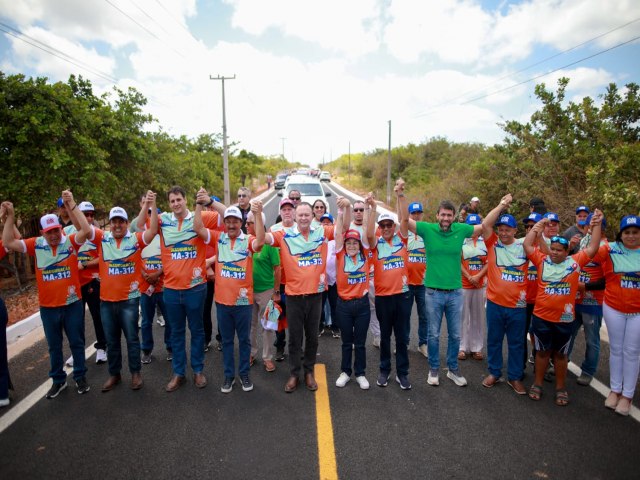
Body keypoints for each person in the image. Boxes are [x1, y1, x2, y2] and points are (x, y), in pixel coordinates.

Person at [408, 194, 510, 387]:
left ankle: (453, 370)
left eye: (449, 215)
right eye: (443, 215)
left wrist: (501, 205)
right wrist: (399, 195)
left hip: (455, 292)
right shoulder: (427, 229)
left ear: (454, 216)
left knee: (455, 335)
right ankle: (434, 370)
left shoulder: (461, 230)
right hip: (433, 292)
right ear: (437, 216)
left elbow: (485, 225)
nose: (446, 218)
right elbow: (404, 221)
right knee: (433, 335)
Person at [3, 191, 93, 398]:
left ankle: (80, 376)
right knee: (54, 347)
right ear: (43, 232)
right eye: (49, 232)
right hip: (48, 307)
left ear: (60, 229)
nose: (53, 236)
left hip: (72, 304)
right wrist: (10, 217)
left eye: (56, 231)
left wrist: (72, 204)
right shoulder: (36, 244)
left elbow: (86, 230)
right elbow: (8, 242)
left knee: (77, 342)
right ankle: (58, 381)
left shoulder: (70, 241)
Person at [523, 211, 603, 407]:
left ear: (567, 252)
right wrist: (538, 226)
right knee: (541, 353)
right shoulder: (541, 261)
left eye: (559, 250)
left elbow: (593, 247)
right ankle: (538, 383)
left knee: (561, 355)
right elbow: (527, 245)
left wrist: (597, 224)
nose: (555, 252)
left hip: (564, 320)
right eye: (553, 249)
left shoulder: (575, 262)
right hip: (541, 317)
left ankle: (561, 387)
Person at [194, 193, 265, 393]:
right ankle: (228, 376)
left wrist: (258, 215)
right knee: (226, 342)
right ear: (224, 223)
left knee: (244, 341)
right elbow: (198, 228)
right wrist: (199, 204)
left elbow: (260, 242)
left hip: (243, 303)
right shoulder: (219, 238)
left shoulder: (248, 240)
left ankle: (244, 374)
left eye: (235, 221)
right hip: (223, 303)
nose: (232, 225)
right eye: (228, 221)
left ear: (241, 223)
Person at [158, 186, 224, 392]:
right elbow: (140, 226)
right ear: (169, 204)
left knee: (197, 331)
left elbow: (229, 215)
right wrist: (149, 205)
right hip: (170, 288)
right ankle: (179, 373)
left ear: (185, 200)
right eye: (172, 201)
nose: (176, 204)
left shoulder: (201, 216)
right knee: (176, 333)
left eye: (179, 199)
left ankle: (197, 370)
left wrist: (209, 201)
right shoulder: (163, 220)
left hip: (195, 288)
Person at [265, 202, 335, 393]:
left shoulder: (321, 232)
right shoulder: (284, 234)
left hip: (315, 296)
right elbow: (263, 239)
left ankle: (308, 372)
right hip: (294, 296)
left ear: (312, 217)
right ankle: (294, 374)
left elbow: (343, 229)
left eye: (307, 215)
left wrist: (345, 209)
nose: (304, 218)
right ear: (295, 217)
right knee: (295, 338)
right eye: (301, 215)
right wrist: (257, 214)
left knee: (312, 337)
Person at [93, 195, 158, 392]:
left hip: (129, 300)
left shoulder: (135, 239)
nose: (117, 225)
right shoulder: (102, 239)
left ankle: (135, 373)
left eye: (121, 221)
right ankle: (115, 374)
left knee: (132, 339)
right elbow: (84, 228)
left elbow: (152, 231)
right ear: (110, 224)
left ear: (127, 223)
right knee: (111, 341)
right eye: (114, 221)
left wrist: (151, 205)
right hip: (106, 301)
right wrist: (71, 205)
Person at [366, 182, 412, 390]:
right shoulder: (376, 243)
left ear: (394, 227)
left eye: (389, 225)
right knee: (385, 337)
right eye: (382, 226)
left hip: (402, 296)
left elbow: (405, 219)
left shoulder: (402, 239)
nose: (386, 228)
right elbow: (368, 234)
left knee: (401, 338)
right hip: (383, 297)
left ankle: (402, 373)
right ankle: (384, 370)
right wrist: (372, 209)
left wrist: (400, 194)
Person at [481, 210, 530, 394]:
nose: (503, 233)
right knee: (494, 340)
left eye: (507, 230)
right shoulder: (493, 244)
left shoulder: (524, 246)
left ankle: (514, 376)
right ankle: (494, 372)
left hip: (518, 306)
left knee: (516, 343)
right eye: (500, 229)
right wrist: (502, 205)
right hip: (495, 303)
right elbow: (486, 225)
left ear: (515, 230)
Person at [598, 215, 640, 416]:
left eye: (635, 232)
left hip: (637, 312)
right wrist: (596, 224)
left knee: (631, 351)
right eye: (627, 232)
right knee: (616, 349)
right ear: (621, 234)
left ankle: (627, 395)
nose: (631, 236)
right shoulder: (610, 249)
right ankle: (615, 390)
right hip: (613, 307)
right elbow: (591, 251)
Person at [63, 201, 108, 367]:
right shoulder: (66, 232)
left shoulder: (96, 233)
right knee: (75, 320)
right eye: (85, 214)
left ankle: (102, 347)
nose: (88, 217)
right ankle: (77, 352)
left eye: (91, 214)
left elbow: (103, 257)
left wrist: (85, 264)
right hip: (73, 284)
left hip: (92, 281)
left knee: (97, 316)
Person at [334, 202, 372, 390]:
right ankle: (345, 372)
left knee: (361, 343)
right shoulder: (340, 254)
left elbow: (366, 231)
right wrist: (341, 211)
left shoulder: (366, 255)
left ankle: (360, 373)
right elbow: (338, 232)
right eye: (348, 242)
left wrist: (369, 209)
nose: (351, 245)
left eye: (354, 243)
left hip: (363, 305)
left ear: (359, 244)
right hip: (344, 306)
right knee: (347, 342)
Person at [568, 213, 607, 387]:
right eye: (585, 226)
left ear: (601, 228)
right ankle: (562, 361)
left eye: (591, 226)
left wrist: (585, 286)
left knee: (591, 340)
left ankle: (588, 371)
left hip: (593, 303)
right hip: (575, 300)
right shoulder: (583, 244)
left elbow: (607, 280)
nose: (587, 229)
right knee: (568, 334)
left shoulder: (605, 248)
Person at [246, 210, 281, 372]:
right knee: (250, 325)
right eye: (246, 222)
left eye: (249, 223)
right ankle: (251, 353)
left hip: (267, 290)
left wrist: (276, 291)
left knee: (268, 325)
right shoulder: (245, 240)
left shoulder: (269, 242)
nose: (246, 225)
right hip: (248, 290)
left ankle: (267, 357)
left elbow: (277, 268)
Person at [459, 214, 488, 362]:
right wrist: (469, 277)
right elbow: (457, 261)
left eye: (475, 225)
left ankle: (476, 348)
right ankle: (462, 347)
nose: (473, 229)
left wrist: (478, 277)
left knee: (478, 317)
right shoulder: (461, 240)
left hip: (479, 285)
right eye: (470, 226)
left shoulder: (485, 242)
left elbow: (489, 262)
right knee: (462, 317)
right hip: (464, 284)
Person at [270, 198, 296, 362]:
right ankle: (279, 346)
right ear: (280, 212)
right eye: (284, 209)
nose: (287, 212)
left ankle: (296, 348)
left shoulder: (299, 228)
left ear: (294, 211)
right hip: (277, 283)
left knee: (296, 319)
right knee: (277, 317)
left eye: (290, 209)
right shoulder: (274, 229)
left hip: (295, 282)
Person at [406, 202, 428, 356]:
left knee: (424, 316)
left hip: (423, 283)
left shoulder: (427, 232)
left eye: (418, 213)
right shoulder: (403, 233)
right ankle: (404, 342)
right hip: (406, 283)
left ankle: (423, 344)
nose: (416, 216)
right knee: (404, 316)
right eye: (413, 213)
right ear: (408, 215)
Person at [523, 213, 543, 367]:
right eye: (528, 226)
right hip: (522, 300)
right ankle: (520, 366)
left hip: (541, 301)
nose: (530, 229)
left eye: (534, 226)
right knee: (520, 334)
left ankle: (539, 362)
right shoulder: (519, 245)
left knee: (539, 333)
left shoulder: (549, 246)